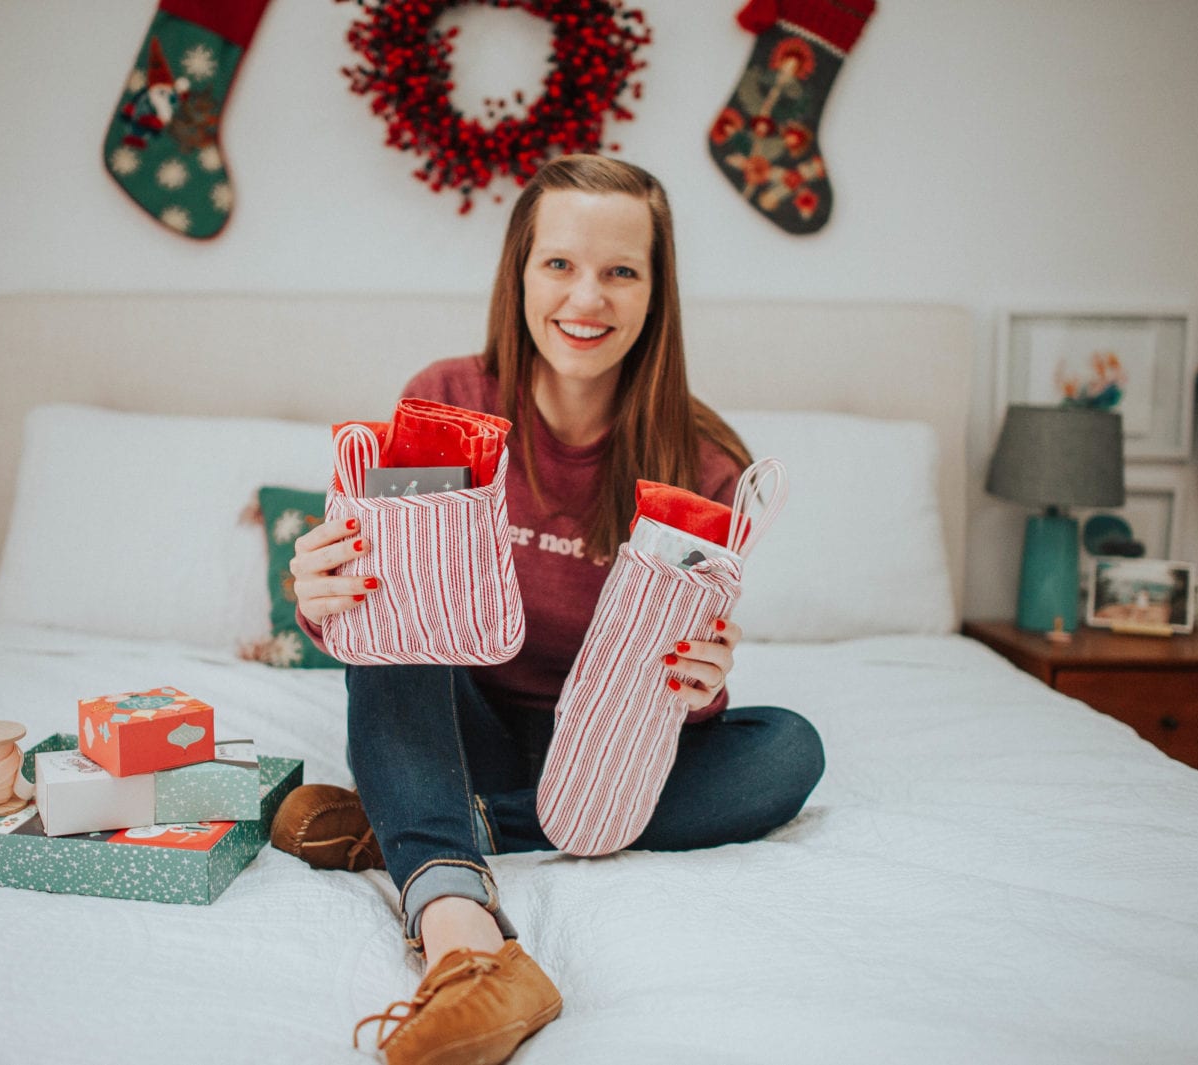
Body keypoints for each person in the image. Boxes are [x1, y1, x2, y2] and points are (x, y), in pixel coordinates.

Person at [274, 154, 825, 1065]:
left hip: (612, 756)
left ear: (656, 292)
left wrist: (702, 682)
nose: (588, 298)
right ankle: (468, 942)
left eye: (621, 271)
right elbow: (382, 604)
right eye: (560, 265)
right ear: (520, 274)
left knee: (789, 748)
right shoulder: (449, 402)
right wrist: (327, 598)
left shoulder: (709, 460)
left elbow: (683, 672)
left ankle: (431, 820)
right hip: (467, 718)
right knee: (403, 625)